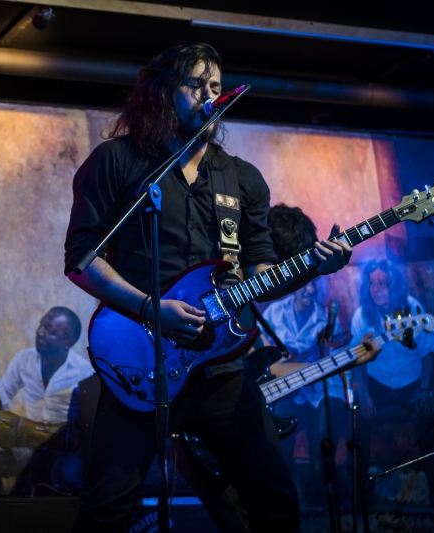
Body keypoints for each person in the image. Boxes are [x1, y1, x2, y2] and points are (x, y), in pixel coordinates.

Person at [64, 42, 355, 532]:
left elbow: (259, 278)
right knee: (105, 511)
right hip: (142, 362)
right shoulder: (118, 161)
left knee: (276, 501)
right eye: (195, 84)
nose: (209, 94)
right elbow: (81, 260)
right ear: (162, 92)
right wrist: (150, 308)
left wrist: (311, 269)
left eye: (216, 86)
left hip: (220, 370)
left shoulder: (241, 179)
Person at [261, 204, 350, 507]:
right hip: (288, 390)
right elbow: (268, 364)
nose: (310, 291)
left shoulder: (326, 315)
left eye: (315, 286)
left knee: (324, 425)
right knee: (277, 426)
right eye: (306, 285)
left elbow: (337, 349)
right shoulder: (275, 312)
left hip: (316, 390)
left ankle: (322, 489)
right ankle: (289, 491)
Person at [351, 260, 434, 511]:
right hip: (377, 384)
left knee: (432, 420)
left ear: (394, 286)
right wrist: (365, 396)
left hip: (411, 383)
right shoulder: (361, 316)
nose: (376, 289)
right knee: (355, 423)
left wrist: (425, 391)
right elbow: (357, 361)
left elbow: (429, 355)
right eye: (372, 283)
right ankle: (362, 492)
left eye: (382, 283)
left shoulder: (413, 308)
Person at [0, 306, 93, 496]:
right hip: (27, 447)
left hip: (65, 451)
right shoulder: (24, 359)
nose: (40, 332)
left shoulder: (85, 372)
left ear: (68, 342)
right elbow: (3, 388)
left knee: (69, 476)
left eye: (50, 330)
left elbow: (91, 421)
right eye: (41, 325)